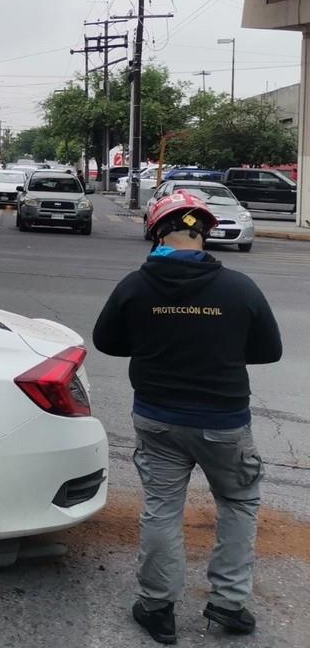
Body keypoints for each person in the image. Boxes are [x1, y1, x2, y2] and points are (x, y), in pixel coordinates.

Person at [94, 190, 282, 645]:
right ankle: (229, 604)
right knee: (237, 505)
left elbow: (107, 341)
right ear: (205, 236)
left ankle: (157, 608)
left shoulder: (135, 286)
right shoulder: (239, 288)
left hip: (157, 421)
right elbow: (269, 350)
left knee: (162, 510)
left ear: (158, 233)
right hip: (225, 424)